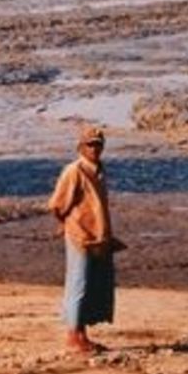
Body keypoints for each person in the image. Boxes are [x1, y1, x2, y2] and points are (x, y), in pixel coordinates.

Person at [48, 127, 123, 354]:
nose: (95, 148)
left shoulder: (100, 170)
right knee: (78, 284)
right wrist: (66, 225)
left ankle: (82, 334)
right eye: (91, 144)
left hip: (98, 237)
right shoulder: (74, 171)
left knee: (93, 284)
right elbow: (57, 205)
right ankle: (73, 336)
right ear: (81, 147)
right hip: (79, 236)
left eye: (99, 144)